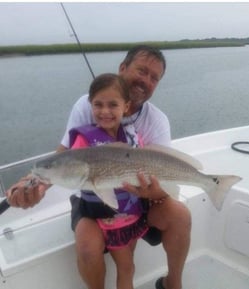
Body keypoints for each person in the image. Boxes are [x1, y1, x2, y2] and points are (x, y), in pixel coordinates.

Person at [6, 45, 191, 289]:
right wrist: (33, 184)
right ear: (123, 68)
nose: (145, 80)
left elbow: (164, 181)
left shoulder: (157, 121)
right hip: (93, 196)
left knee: (180, 215)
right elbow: (64, 158)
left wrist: (151, 192)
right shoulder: (87, 105)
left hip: (140, 200)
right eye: (141, 70)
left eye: (154, 77)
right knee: (87, 248)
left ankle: (172, 283)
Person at [70, 72, 148, 289]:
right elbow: (70, 167)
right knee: (126, 267)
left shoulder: (133, 138)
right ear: (90, 106)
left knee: (127, 267)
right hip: (98, 216)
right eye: (98, 104)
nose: (105, 111)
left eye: (113, 104)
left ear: (126, 106)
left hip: (128, 216)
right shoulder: (83, 140)